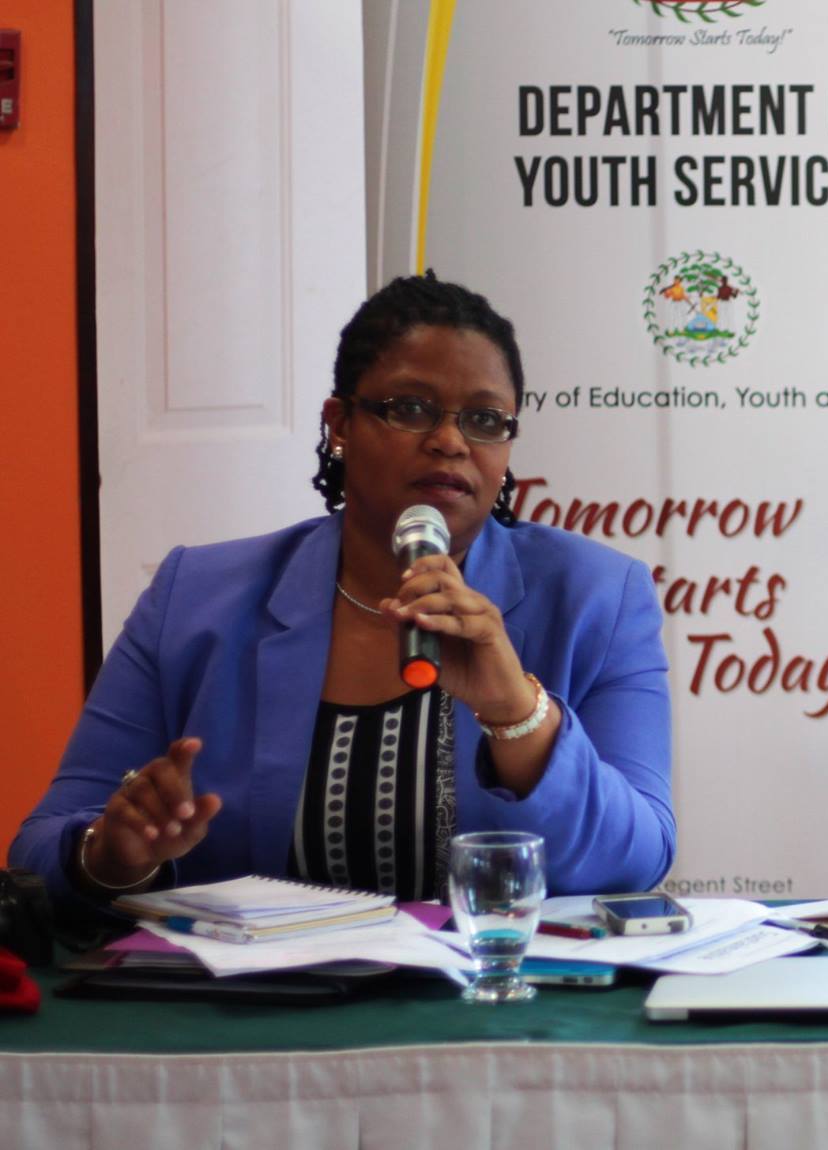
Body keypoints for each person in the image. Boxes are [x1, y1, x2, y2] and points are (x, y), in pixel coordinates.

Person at [11, 273, 676, 910]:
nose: (449, 441)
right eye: (411, 409)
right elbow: (43, 844)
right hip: (255, 1006)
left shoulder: (598, 598)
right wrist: (115, 856)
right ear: (340, 424)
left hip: (495, 1004)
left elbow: (640, 857)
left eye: (484, 419)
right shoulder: (194, 598)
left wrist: (517, 712)